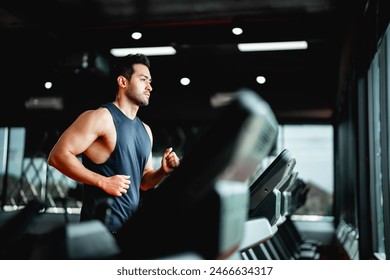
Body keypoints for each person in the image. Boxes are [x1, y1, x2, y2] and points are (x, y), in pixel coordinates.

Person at [47, 53, 180, 233]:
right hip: (99, 231)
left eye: (150, 81)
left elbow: (143, 182)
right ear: (123, 82)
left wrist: (162, 172)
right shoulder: (101, 117)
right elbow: (57, 157)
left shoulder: (146, 130)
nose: (150, 87)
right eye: (143, 80)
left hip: (128, 231)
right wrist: (103, 182)